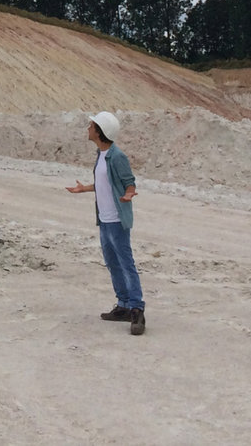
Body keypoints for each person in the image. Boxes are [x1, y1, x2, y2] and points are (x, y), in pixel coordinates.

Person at [64, 110, 146, 335]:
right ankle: (123, 305)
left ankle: (137, 309)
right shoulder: (101, 155)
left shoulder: (117, 156)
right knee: (112, 263)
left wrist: (129, 194)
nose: (88, 128)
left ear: (99, 131)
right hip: (104, 220)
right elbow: (106, 183)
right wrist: (84, 189)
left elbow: (129, 182)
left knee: (126, 264)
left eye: (91, 126)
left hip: (117, 220)